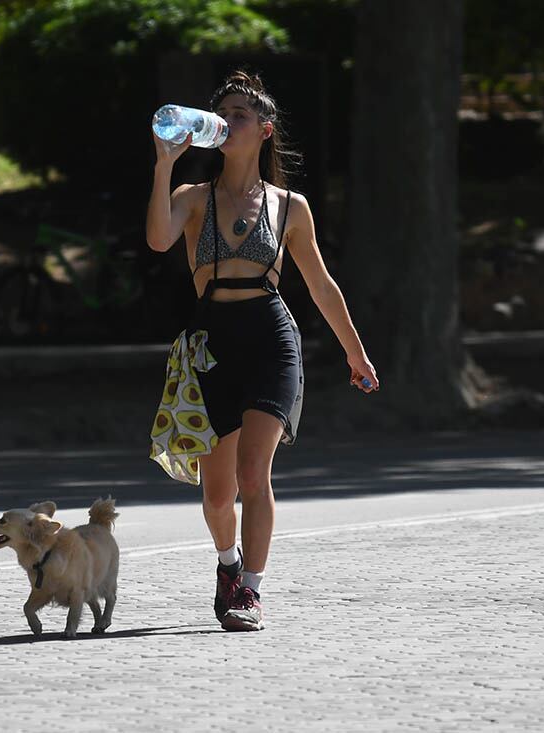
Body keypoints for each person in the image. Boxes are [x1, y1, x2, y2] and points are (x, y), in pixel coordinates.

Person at [146, 71, 379, 631]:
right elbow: (157, 239)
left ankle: (249, 591)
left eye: (240, 114)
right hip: (211, 342)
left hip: (271, 337)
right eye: (222, 113)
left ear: (264, 130)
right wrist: (162, 164)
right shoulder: (192, 197)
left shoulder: (289, 206)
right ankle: (228, 566)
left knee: (255, 475)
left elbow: (321, 284)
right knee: (218, 493)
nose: (229, 122)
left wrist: (356, 352)